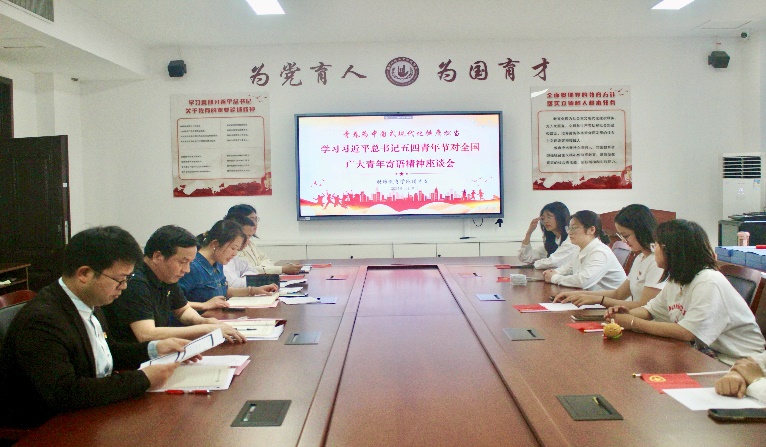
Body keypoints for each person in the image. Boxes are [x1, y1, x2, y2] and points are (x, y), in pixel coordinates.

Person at [0, 226, 190, 427]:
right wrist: (143, 379)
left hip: (90, 410)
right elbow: (65, 392)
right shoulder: (42, 321)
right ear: (84, 274)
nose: (124, 286)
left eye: (127, 279)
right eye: (119, 279)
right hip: (50, 426)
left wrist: (155, 349)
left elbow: (107, 352)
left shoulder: (89, 302)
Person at [606, 220, 765, 364]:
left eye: (656, 246)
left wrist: (633, 322)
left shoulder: (708, 282)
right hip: (705, 355)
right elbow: (651, 310)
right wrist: (626, 315)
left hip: (738, 363)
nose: (654, 252)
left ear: (671, 250)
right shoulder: (677, 279)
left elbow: (687, 332)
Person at [102, 225, 246, 344]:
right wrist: (206, 330)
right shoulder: (135, 282)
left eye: (190, 263)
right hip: (134, 360)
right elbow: (146, 334)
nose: (187, 269)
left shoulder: (167, 276)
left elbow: (182, 310)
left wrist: (202, 321)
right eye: (183, 262)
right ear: (158, 257)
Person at [554, 204, 664, 308]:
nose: (623, 241)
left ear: (641, 231)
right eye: (621, 236)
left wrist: (599, 300)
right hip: (630, 313)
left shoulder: (656, 262)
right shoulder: (640, 258)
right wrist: (577, 294)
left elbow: (644, 307)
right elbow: (618, 293)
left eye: (626, 236)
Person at [178, 219, 278, 311]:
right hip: (197, 320)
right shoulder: (191, 267)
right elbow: (174, 302)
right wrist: (204, 305)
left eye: (237, 249)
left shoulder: (217, 263)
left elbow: (223, 290)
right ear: (215, 244)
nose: (235, 254)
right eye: (233, 248)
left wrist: (253, 291)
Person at [543, 210, 626, 290]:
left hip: (611, 299)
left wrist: (554, 278)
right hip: (592, 296)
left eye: (574, 228)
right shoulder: (579, 248)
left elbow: (582, 282)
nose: (569, 232)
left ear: (591, 230)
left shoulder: (600, 252)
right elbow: (568, 268)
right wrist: (554, 272)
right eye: (569, 228)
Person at [226, 204, 303, 275]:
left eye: (256, 219)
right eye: (251, 219)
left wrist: (261, 267)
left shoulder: (250, 243)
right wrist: (281, 269)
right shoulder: (234, 247)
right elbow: (248, 270)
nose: (255, 223)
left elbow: (267, 260)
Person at [518, 202, 578, 269]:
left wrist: (535, 264)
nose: (545, 221)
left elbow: (553, 262)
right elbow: (526, 258)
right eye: (543, 218)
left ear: (560, 217)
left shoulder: (571, 239)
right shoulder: (553, 240)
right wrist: (529, 233)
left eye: (549, 217)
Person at [221, 213, 260, 288]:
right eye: (246, 236)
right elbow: (233, 285)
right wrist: (247, 280)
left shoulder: (235, 253)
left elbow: (252, 270)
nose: (247, 241)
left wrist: (244, 278)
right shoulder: (223, 255)